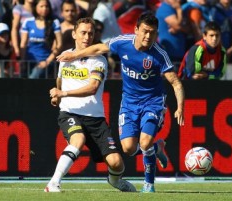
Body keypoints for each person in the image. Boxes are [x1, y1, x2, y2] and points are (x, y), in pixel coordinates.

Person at [57, 12, 185, 193]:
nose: (149, 36)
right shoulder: (122, 42)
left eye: (153, 33)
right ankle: (158, 148)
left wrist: (180, 107)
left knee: (145, 142)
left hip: (153, 102)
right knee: (129, 148)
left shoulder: (159, 53)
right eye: (145, 31)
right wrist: (76, 55)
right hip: (129, 103)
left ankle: (149, 185)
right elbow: (98, 49)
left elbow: (175, 82)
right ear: (136, 30)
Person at [45, 17, 136, 193]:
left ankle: (115, 181)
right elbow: (59, 81)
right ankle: (53, 183)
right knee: (78, 140)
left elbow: (93, 88)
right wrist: (57, 95)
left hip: (95, 119)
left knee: (116, 163)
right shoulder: (65, 56)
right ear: (74, 34)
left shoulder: (99, 60)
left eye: (91, 33)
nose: (87, 37)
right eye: (83, 33)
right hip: (70, 112)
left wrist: (62, 93)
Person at [20, 0, 62, 78]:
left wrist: (48, 61)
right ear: (35, 7)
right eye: (41, 6)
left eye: (46, 6)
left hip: (45, 61)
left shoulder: (54, 22)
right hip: (29, 61)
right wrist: (22, 61)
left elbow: (59, 44)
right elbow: (23, 43)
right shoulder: (28, 22)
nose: (45, 9)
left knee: (32, 79)